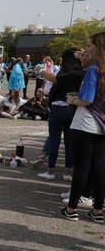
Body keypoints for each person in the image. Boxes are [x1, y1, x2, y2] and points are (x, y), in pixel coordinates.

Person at [60, 31, 105, 222]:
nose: (86, 49)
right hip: (103, 126)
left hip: (86, 124)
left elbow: (86, 100)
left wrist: (72, 99)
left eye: (89, 46)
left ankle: (71, 209)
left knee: (82, 168)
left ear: (99, 48)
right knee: (101, 168)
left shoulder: (94, 70)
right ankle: (98, 210)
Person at [36, 49, 84, 180]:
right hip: (73, 109)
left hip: (58, 109)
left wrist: (41, 71)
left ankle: (51, 171)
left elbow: (53, 80)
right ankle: (67, 172)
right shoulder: (82, 72)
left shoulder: (65, 73)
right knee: (69, 142)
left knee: (54, 140)